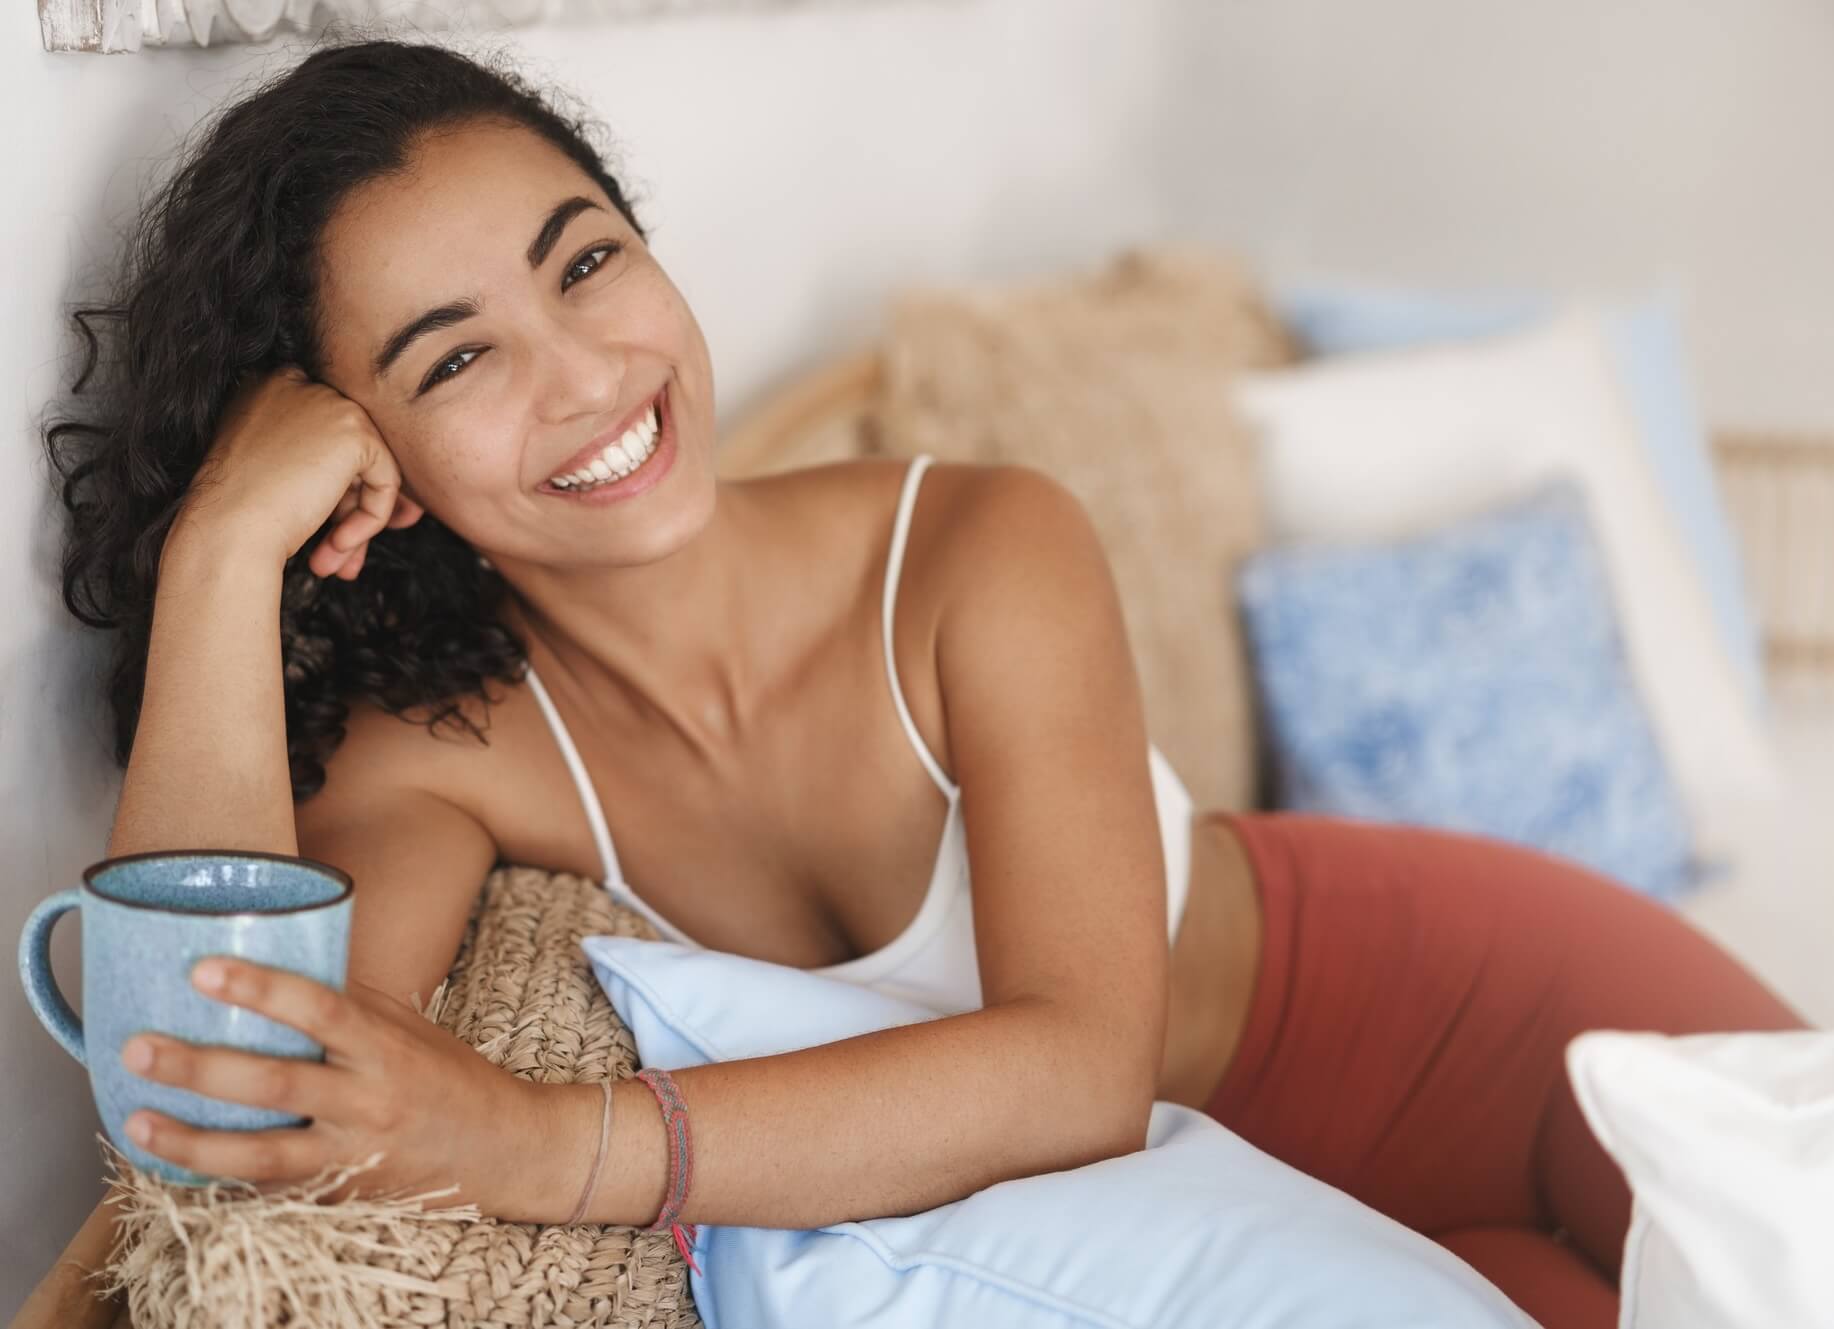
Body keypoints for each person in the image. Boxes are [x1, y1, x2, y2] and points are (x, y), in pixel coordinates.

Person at [21, 37, 1805, 1329]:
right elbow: (215, 1084)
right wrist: (220, 554)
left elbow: (1077, 1072)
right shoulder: (449, 758)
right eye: (457, 355)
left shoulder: (975, 548)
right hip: (1254, 1230)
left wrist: (546, 1143)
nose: (583, 374)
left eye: (588, 261)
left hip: (1475, 1022)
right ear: (372, 456)